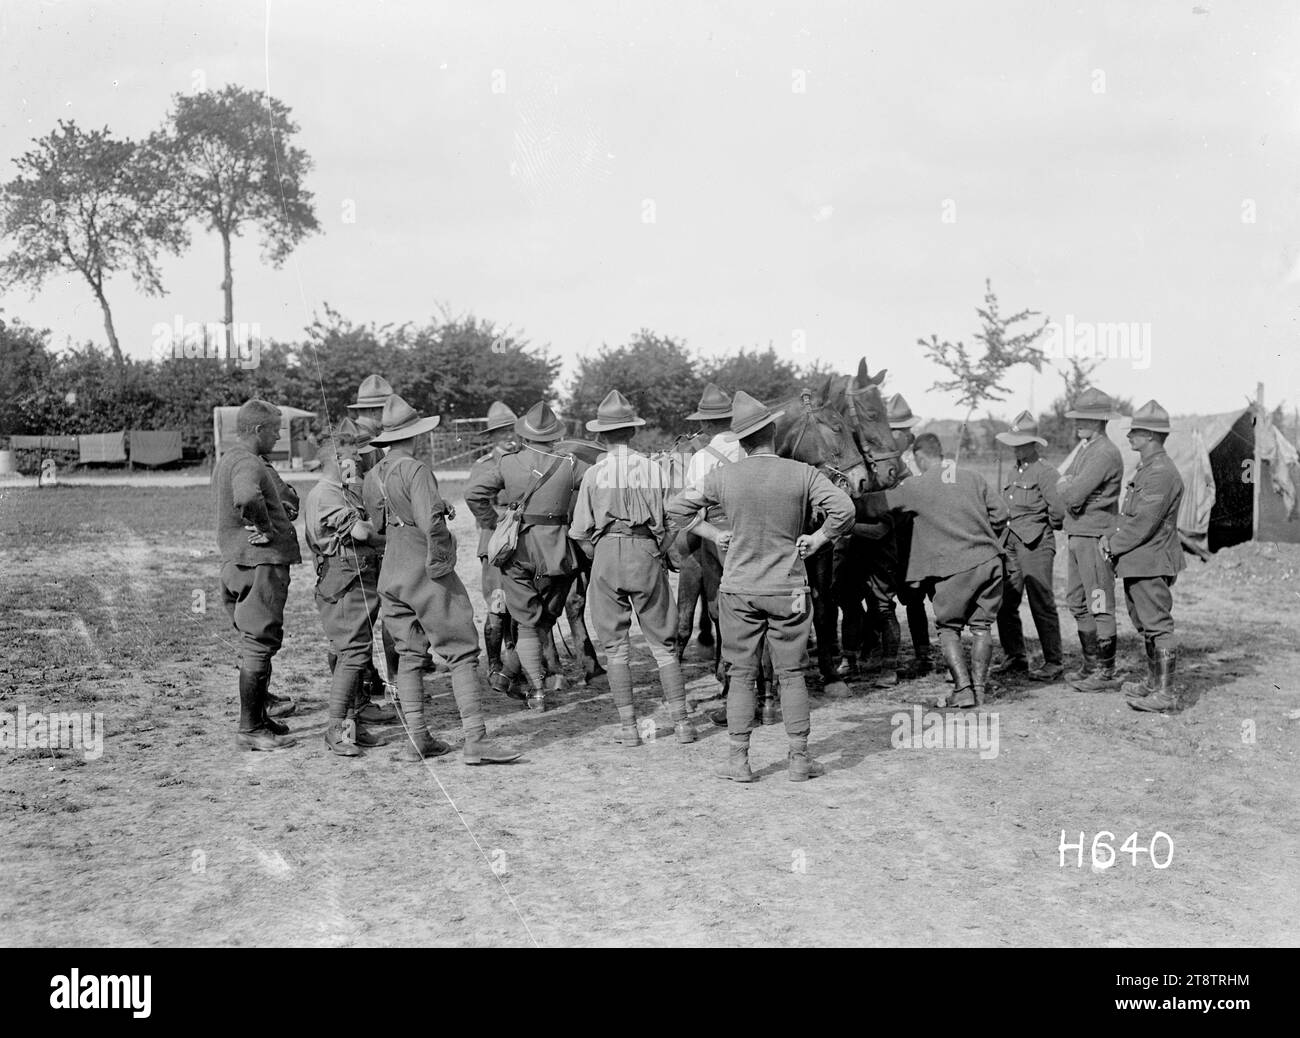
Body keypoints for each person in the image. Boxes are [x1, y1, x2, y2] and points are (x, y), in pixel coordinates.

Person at [666, 391, 855, 783]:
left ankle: (739, 761)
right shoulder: (803, 474)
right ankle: (799, 759)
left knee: (740, 674)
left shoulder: (721, 477)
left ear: (740, 440)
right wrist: (819, 539)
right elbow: (846, 510)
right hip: (788, 588)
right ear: (771, 430)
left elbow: (675, 509)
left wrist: (713, 533)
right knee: (792, 674)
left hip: (738, 589)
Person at [363, 395, 521, 764]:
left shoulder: (374, 473)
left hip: (392, 568)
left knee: (408, 653)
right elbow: (430, 523)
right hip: (425, 567)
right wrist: (442, 560)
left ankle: (418, 738)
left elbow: (379, 523)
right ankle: (476, 739)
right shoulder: (415, 469)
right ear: (415, 434)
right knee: (461, 650)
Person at [570, 390, 695, 746]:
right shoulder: (654, 469)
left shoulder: (594, 474)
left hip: (607, 555)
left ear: (600, 435)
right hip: (646, 552)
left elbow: (579, 532)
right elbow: (672, 522)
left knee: (616, 649)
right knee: (664, 645)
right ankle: (683, 724)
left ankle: (628, 729)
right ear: (632, 432)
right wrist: (659, 549)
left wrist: (602, 556)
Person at [857, 433, 1008, 708]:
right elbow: (1000, 514)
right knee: (981, 626)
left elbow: (875, 504)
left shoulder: (918, 485)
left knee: (948, 628)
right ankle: (981, 691)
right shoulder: (973, 477)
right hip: (991, 562)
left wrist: (844, 499)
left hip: (955, 568)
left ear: (920, 457)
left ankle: (963, 690)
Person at [464, 402, 591, 712]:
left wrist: (496, 523)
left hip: (516, 552)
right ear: (555, 434)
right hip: (557, 552)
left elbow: (473, 493)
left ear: (523, 434)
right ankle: (509, 672)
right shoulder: (569, 463)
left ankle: (531, 691)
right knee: (543, 620)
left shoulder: (508, 463)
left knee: (525, 622)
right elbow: (597, 483)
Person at [303, 418, 401, 757]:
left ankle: (353, 727)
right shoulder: (325, 494)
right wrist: (397, 537)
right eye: (352, 456)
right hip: (344, 579)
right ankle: (337, 731)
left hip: (355, 575)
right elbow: (360, 532)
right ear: (336, 458)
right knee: (352, 654)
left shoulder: (340, 490)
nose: (358, 460)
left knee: (356, 649)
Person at [213, 399, 301, 751]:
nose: (278, 437)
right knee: (259, 643)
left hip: (238, 563)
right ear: (257, 430)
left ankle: (260, 718)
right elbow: (247, 496)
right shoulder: (248, 463)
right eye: (276, 431)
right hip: (259, 564)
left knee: (255, 641)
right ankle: (250, 729)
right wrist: (265, 525)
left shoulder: (229, 459)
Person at [1102, 401, 1186, 712]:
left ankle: (1164, 693)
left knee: (1158, 626)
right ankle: (1153, 683)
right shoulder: (1149, 469)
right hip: (1139, 560)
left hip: (1151, 560)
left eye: (1135, 431)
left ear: (1150, 435)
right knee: (1146, 624)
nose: (1130, 436)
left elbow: (1144, 522)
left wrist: (1113, 543)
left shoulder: (1161, 473)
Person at [1055, 388, 1125, 692]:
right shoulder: (1087, 448)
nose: (1078, 423)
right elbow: (1064, 483)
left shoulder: (1105, 452)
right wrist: (1071, 489)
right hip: (1077, 532)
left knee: (1099, 603)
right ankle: (1091, 663)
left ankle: (1105, 672)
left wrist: (1072, 490)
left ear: (1100, 420)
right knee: (1077, 601)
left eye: (1085, 418)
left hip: (1095, 536)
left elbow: (1071, 492)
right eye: (1078, 417)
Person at [993, 411, 1065, 681]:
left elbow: (1058, 509)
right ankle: (1016, 656)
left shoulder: (1046, 472)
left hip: (1035, 544)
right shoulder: (1014, 470)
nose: (1016, 448)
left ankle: (1054, 661)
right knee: (1005, 600)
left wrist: (1047, 528)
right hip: (1010, 542)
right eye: (1013, 443)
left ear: (1034, 444)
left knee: (1041, 601)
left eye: (1021, 443)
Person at [468, 401, 522, 692]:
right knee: (497, 606)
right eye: (501, 433)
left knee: (520, 606)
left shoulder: (524, 460)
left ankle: (515, 663)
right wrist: (501, 521)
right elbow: (478, 505)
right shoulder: (485, 466)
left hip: (523, 543)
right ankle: (494, 665)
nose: (508, 436)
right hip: (494, 544)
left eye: (511, 430)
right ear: (491, 437)